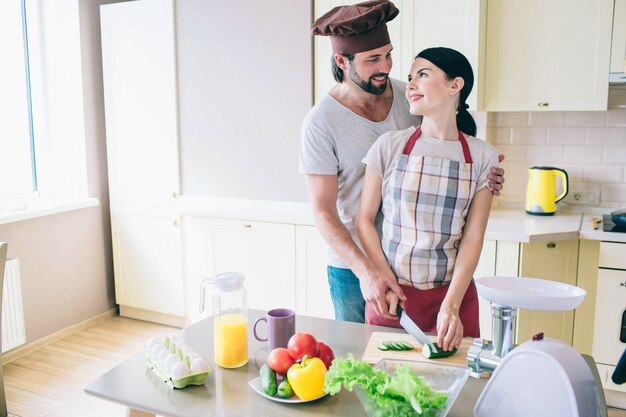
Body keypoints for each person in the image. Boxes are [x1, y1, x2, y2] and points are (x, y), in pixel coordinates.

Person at [300, 0, 505, 324]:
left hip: (425, 272)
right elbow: (324, 212)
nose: (386, 67)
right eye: (373, 59)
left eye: (388, 54)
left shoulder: (409, 97)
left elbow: (450, 136)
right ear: (342, 60)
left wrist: (483, 172)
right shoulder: (321, 122)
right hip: (355, 268)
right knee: (360, 364)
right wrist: (369, 272)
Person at [356, 47, 497, 352]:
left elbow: (473, 237)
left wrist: (452, 305)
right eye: (409, 78)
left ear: (454, 85)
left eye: (422, 74)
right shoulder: (389, 146)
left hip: (452, 299)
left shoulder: (483, 155)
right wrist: (385, 280)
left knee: (457, 391)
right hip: (393, 299)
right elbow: (364, 221)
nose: (410, 84)